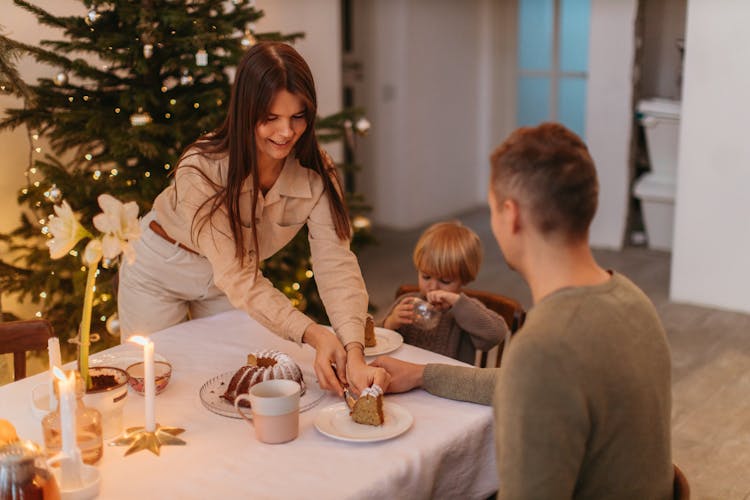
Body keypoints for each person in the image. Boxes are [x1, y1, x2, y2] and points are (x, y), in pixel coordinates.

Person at [372, 123, 673, 499]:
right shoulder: (630, 297)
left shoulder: (546, 347)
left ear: (511, 216)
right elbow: (521, 382)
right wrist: (422, 374)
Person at [118, 42, 388, 396]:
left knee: (229, 382)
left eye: (298, 116)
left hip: (225, 284)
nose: (286, 132)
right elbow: (238, 275)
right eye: (270, 118)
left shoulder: (318, 173)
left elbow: (336, 262)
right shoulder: (199, 168)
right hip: (159, 268)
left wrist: (353, 348)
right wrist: (314, 333)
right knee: (155, 386)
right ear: (246, 112)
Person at [381, 221, 509, 364]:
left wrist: (458, 304)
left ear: (464, 279)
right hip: (405, 378)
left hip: (449, 383)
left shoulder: (466, 310)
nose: (433, 286)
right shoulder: (407, 303)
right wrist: (390, 323)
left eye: (446, 281)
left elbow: (496, 335)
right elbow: (375, 339)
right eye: (426, 276)